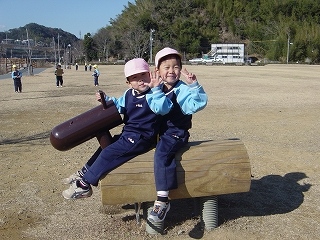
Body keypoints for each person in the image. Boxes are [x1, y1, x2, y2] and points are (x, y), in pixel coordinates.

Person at [62, 58, 173, 199]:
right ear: (128, 83)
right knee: (105, 147)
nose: (140, 80)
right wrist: (107, 99)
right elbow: (119, 105)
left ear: (150, 74)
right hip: (128, 134)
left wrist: (157, 90)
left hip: (143, 138)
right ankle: (84, 172)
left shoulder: (154, 94)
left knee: (109, 152)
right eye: (135, 78)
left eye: (143, 75)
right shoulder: (128, 94)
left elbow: (164, 109)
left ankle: (85, 184)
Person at [148, 47, 208, 223]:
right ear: (157, 70)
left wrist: (194, 86)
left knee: (162, 153)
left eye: (176, 67)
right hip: (159, 133)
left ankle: (163, 200)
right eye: (166, 67)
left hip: (176, 133)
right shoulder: (155, 87)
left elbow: (195, 105)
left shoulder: (182, 89)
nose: (171, 71)